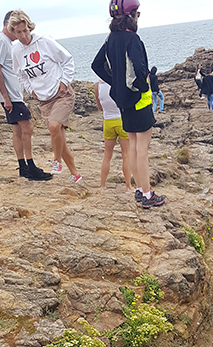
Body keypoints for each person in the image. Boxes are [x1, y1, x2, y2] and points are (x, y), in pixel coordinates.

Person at [91, 0, 165, 210]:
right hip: (139, 100)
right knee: (142, 149)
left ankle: (140, 191)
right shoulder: (132, 39)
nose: (138, 18)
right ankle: (148, 194)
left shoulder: (111, 38)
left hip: (122, 100)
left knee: (133, 147)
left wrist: (115, 81)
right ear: (131, 15)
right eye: (137, 14)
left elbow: (96, 64)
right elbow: (141, 70)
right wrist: (141, 87)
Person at [9, 10, 82, 183]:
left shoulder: (44, 41)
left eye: (25, 30)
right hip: (43, 100)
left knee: (54, 126)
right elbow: (20, 74)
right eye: (19, 32)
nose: (23, 35)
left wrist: (64, 82)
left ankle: (56, 161)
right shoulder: (16, 50)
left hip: (61, 94)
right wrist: (30, 90)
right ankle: (75, 174)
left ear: (29, 27)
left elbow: (67, 60)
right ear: (14, 32)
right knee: (59, 137)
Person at [0, 11, 52, 181]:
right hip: (11, 95)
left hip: (14, 94)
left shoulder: (9, 43)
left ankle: (23, 167)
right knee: (27, 128)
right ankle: (31, 167)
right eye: (17, 30)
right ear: (9, 26)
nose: (20, 34)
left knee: (18, 130)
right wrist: (6, 96)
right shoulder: (1, 41)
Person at [94, 80, 132, 192]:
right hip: (121, 120)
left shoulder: (98, 86)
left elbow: (99, 106)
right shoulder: (119, 82)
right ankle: (128, 187)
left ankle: (102, 185)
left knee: (107, 155)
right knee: (126, 155)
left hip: (108, 121)